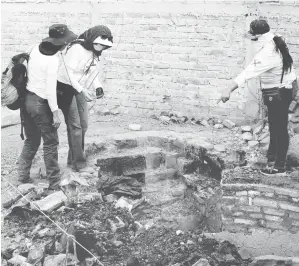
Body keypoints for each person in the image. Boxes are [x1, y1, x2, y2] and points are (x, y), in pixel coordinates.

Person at [218, 19, 297, 176]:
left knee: (279, 128)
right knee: (275, 126)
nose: (250, 39)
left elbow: (248, 73)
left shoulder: (267, 54)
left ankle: (279, 167)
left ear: (259, 36)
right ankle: (272, 159)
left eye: (252, 36)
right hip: (285, 87)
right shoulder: (276, 38)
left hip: (279, 92)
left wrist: (228, 89)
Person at [17, 24, 77, 189]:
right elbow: (50, 91)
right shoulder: (52, 60)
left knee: (32, 140)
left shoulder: (34, 47)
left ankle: (22, 176)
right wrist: (55, 113)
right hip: (40, 104)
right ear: (61, 43)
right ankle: (54, 183)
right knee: (51, 142)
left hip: (26, 100)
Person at [57, 25, 113, 171]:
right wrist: (82, 90)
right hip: (65, 88)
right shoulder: (77, 49)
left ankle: (72, 159)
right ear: (92, 39)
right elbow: (68, 74)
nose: (101, 47)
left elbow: (92, 71)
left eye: (104, 46)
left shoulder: (94, 53)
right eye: (99, 44)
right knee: (75, 127)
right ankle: (79, 163)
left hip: (78, 88)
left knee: (84, 125)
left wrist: (98, 86)